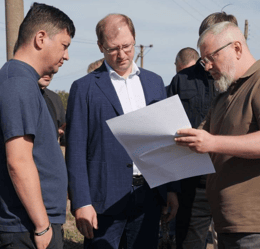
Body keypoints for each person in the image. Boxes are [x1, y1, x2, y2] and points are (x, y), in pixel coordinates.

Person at [175, 22, 260, 248]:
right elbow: (201, 137)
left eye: (212, 57)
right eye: (204, 60)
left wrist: (212, 142)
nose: (207, 66)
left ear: (237, 49)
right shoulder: (224, 95)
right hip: (229, 223)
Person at [66, 13, 179, 249]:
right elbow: (75, 150)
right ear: (100, 47)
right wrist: (81, 202)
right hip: (103, 202)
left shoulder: (155, 83)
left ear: (135, 40)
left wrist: (170, 190)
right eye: (113, 49)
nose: (122, 55)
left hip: (148, 196)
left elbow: (165, 140)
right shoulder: (83, 88)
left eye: (127, 46)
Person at [0, 3, 75, 249]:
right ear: (41, 38)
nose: (66, 55)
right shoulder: (18, 84)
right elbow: (19, 161)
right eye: (64, 46)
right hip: (25, 227)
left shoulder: (22, 81)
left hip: (27, 225)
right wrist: (42, 224)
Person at [167, 11, 237, 249]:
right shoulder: (182, 80)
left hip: (233, 179)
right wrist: (171, 187)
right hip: (192, 182)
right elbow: (168, 129)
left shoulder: (246, 80)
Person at [38, 74, 66, 140]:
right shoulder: (21, 95)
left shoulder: (55, 98)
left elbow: (62, 126)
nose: (48, 74)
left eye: (52, 71)